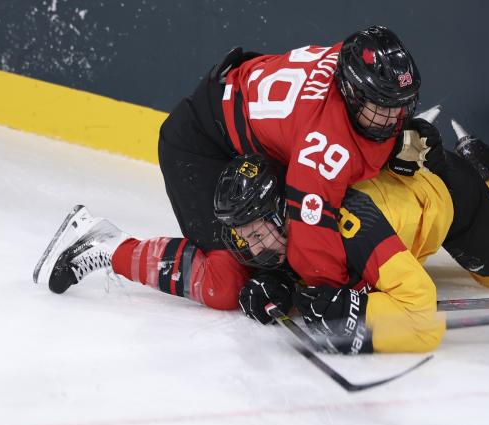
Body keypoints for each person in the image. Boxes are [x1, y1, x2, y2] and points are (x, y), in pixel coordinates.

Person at [214, 121, 489, 354]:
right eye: (245, 238)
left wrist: (357, 319)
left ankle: (483, 173)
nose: (252, 248)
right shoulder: (299, 217)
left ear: (281, 212)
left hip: (448, 193)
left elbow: (421, 315)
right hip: (404, 202)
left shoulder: (352, 224)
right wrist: (282, 285)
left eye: (256, 233)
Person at [157, 25, 422, 288]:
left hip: (244, 109)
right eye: (382, 105)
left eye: (400, 104)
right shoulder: (323, 145)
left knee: (274, 251)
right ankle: (123, 251)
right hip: (200, 142)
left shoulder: (353, 59)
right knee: (225, 281)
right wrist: (342, 293)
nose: (393, 118)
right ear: (353, 92)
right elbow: (312, 247)